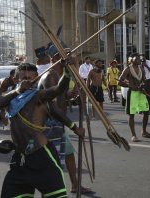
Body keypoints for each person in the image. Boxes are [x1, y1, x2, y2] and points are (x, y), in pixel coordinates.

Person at [0, 62, 84, 198]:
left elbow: (58, 89)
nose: (27, 80)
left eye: (31, 78)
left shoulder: (39, 96)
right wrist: (17, 91)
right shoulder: (12, 98)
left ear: (36, 79)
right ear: (16, 80)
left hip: (41, 157)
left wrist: (67, 71)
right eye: (23, 78)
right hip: (20, 160)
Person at [38, 45, 93, 194]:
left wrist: (71, 94)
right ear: (55, 58)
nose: (68, 59)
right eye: (64, 56)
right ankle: (52, 191)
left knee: (68, 155)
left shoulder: (58, 75)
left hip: (58, 124)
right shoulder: (50, 76)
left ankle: (75, 185)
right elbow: (52, 107)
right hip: (50, 126)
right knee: (54, 163)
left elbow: (59, 96)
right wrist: (74, 127)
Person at [118, 53, 150, 142]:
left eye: (139, 58)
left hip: (141, 93)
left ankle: (144, 131)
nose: (139, 59)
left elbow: (144, 79)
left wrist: (143, 85)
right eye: (136, 58)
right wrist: (130, 86)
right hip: (132, 93)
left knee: (146, 111)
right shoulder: (127, 69)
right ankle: (133, 135)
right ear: (131, 59)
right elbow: (120, 82)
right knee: (131, 114)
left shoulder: (141, 68)